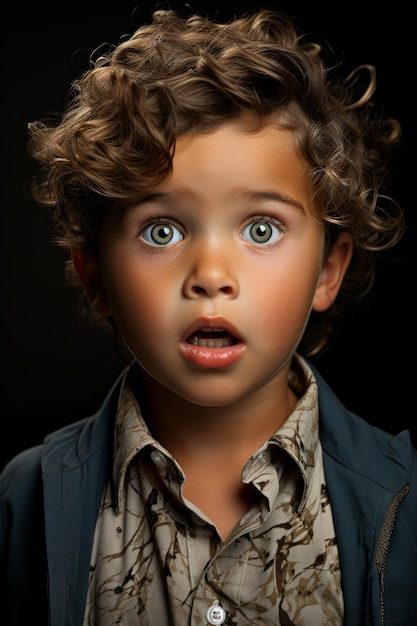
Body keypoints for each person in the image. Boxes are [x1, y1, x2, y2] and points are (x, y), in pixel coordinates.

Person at [1, 6, 416, 625]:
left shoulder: (407, 497)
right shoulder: (25, 499)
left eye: (260, 227)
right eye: (163, 230)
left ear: (328, 270)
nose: (212, 275)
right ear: (96, 280)